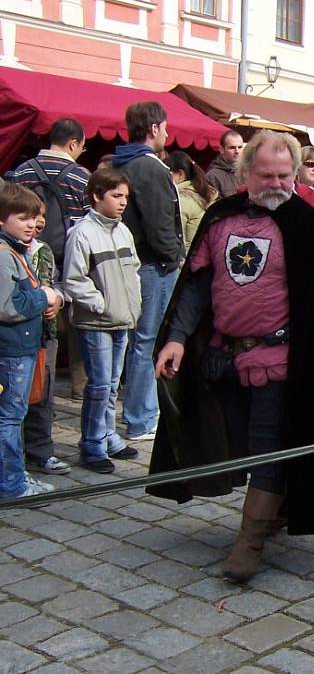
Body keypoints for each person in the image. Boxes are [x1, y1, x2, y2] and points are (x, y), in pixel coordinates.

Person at [150, 131, 314, 583]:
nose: (275, 183)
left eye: (284, 175)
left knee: (268, 444)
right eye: (265, 174)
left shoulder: (307, 227)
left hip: (282, 360)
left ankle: (249, 542)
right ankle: (282, 503)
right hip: (223, 357)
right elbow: (196, 286)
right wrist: (176, 337)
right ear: (244, 172)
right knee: (236, 441)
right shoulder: (219, 218)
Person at [112, 101, 183, 442]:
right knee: (147, 341)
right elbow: (160, 225)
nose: (168, 134)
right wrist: (174, 258)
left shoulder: (121, 163)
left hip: (138, 263)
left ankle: (140, 412)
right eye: (165, 128)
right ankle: (141, 418)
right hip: (153, 266)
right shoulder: (149, 168)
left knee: (138, 341)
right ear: (154, 129)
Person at [63, 168, 142, 473]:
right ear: (97, 196)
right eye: (116, 195)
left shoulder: (122, 230)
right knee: (98, 385)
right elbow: (73, 278)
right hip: (96, 322)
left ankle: (108, 435)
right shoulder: (82, 232)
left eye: (125, 196)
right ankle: (92, 444)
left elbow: (133, 269)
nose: (123, 202)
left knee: (110, 385)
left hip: (121, 319)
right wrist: (100, 304)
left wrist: (131, 303)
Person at [12, 117, 90, 400]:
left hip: (24, 259)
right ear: (73, 143)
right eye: (81, 146)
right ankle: (75, 387)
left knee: (30, 323)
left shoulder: (22, 172)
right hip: (67, 259)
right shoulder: (81, 177)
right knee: (72, 325)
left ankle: (32, 386)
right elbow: (87, 223)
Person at [0, 184, 61, 498]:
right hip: (11, 349)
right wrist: (43, 296)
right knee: (9, 418)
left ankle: (14, 475)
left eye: (34, 217)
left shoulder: (15, 251)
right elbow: (8, 306)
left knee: (14, 416)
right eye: (22, 217)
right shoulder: (3, 254)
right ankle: (11, 483)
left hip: (19, 347)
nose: (30, 224)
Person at [23, 202, 70, 476]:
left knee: (43, 395)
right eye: (29, 217)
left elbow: (57, 283)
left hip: (44, 335)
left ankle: (40, 452)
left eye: (40, 216)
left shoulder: (43, 250)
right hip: (16, 337)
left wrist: (58, 299)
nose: (37, 222)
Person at [165, 151, 219, 250]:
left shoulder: (181, 201)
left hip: (186, 259)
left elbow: (175, 239)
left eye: (167, 173)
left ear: (180, 174)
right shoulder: (201, 193)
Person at [206, 130, 244, 198]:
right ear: (222, 150)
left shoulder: (249, 172)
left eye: (240, 147)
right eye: (232, 148)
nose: (237, 151)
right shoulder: (213, 176)